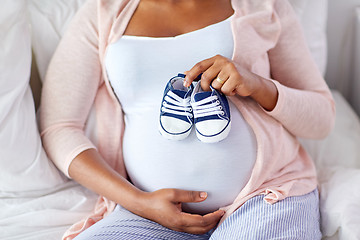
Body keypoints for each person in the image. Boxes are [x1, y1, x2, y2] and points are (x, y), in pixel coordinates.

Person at [40, 0, 335, 239]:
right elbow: (59, 128)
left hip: (266, 196)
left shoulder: (262, 5)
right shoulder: (103, 15)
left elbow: (322, 118)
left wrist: (259, 86)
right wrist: (138, 202)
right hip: (148, 212)